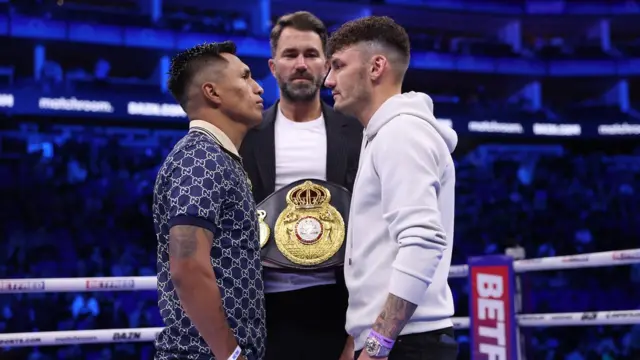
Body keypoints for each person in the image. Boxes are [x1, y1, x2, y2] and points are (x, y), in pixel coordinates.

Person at [324, 16, 459, 360]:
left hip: (405, 343)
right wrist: (359, 340)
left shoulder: (402, 134)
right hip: (394, 340)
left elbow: (423, 241)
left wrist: (376, 345)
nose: (328, 80)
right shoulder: (383, 134)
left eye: (338, 66)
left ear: (376, 67)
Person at [239, 11, 363, 360]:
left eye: (311, 54)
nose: (301, 64)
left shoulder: (357, 132)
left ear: (326, 65)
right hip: (262, 308)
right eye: (290, 55)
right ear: (273, 65)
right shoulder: (246, 134)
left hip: (340, 306)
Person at [153, 41, 266, 360]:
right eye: (245, 77)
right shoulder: (201, 158)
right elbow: (187, 266)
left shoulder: (217, 158)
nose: (258, 87)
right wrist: (231, 356)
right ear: (212, 92)